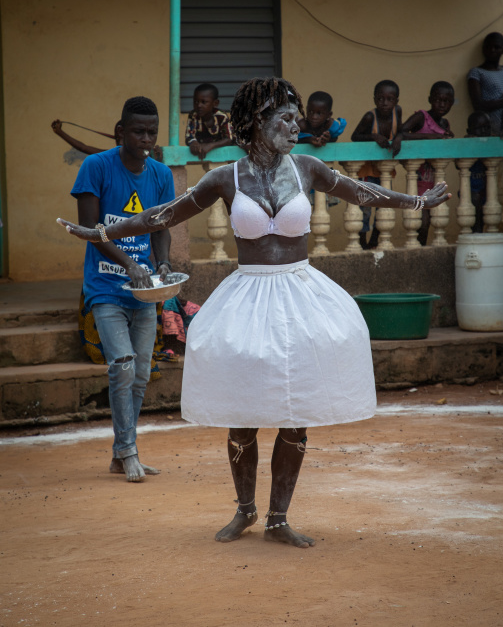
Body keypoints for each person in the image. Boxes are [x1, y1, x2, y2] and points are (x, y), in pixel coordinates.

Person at [58, 77, 451, 547]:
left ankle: (278, 519)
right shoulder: (226, 177)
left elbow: (363, 192)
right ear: (254, 124)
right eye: (283, 117)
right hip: (247, 299)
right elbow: (162, 214)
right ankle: (244, 510)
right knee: (243, 411)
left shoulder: (307, 167)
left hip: (302, 296)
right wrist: (100, 234)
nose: (294, 125)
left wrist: (417, 201)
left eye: (295, 116)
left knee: (296, 408)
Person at [69, 96, 175, 483]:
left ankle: (120, 452)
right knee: (122, 366)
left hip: (143, 291)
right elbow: (91, 230)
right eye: (138, 131)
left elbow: (161, 227)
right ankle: (128, 451)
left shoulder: (161, 175)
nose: (146, 138)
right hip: (105, 287)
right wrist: (129, 263)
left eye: (152, 132)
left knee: (142, 372)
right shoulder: (96, 167)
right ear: (120, 131)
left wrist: (160, 264)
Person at [391, 81, 455, 246]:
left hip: (434, 178)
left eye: (446, 101)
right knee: (423, 219)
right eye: (438, 100)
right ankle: (419, 249)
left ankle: (423, 246)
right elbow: (402, 132)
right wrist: (432, 137)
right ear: (430, 99)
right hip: (419, 179)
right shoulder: (421, 117)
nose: (442, 104)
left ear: (452, 103)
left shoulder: (445, 124)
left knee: (435, 218)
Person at [351, 80, 402, 249]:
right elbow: (355, 136)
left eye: (390, 99)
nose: (385, 103)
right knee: (365, 209)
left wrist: (399, 138)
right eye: (381, 99)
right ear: (374, 99)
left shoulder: (397, 112)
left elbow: (400, 130)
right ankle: (362, 242)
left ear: (396, 101)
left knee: (383, 207)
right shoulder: (370, 117)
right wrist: (374, 137)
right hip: (367, 171)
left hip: (385, 172)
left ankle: (374, 241)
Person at [52, 119, 164, 162]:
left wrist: (157, 158)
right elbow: (83, 147)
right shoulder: (111, 156)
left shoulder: (144, 155)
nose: (120, 143)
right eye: (118, 138)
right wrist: (60, 133)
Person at [467, 32, 503, 134]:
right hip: (494, 131)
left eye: (496, 47)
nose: (492, 50)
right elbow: (478, 105)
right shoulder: (476, 73)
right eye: (488, 47)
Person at [186, 83, 235, 160]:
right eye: (196, 102)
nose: (199, 105)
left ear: (215, 103)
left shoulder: (221, 116)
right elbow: (189, 137)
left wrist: (210, 146)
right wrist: (193, 143)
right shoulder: (194, 115)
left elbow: (228, 139)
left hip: (222, 154)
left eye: (204, 102)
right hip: (202, 152)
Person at [464, 111, 490, 233]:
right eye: (480, 128)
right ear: (470, 132)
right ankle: (477, 233)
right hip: (471, 190)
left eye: (487, 127)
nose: (485, 131)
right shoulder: (467, 143)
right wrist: (469, 145)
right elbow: (460, 166)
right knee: (475, 210)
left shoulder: (490, 144)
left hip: (486, 190)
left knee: (488, 214)